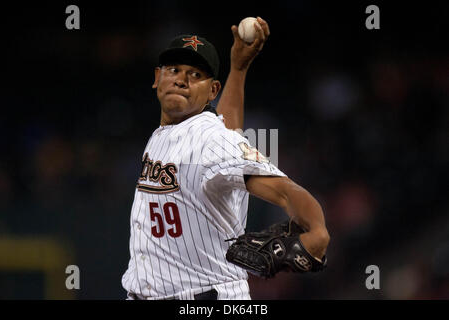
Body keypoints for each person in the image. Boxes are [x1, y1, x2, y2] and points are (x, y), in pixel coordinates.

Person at [121, 17, 330, 300]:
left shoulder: (211, 140)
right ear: (158, 78)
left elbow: (285, 191)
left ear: (212, 91)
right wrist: (239, 69)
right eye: (174, 70)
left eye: (195, 75)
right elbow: (228, 129)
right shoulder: (164, 135)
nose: (181, 79)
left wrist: (317, 231)